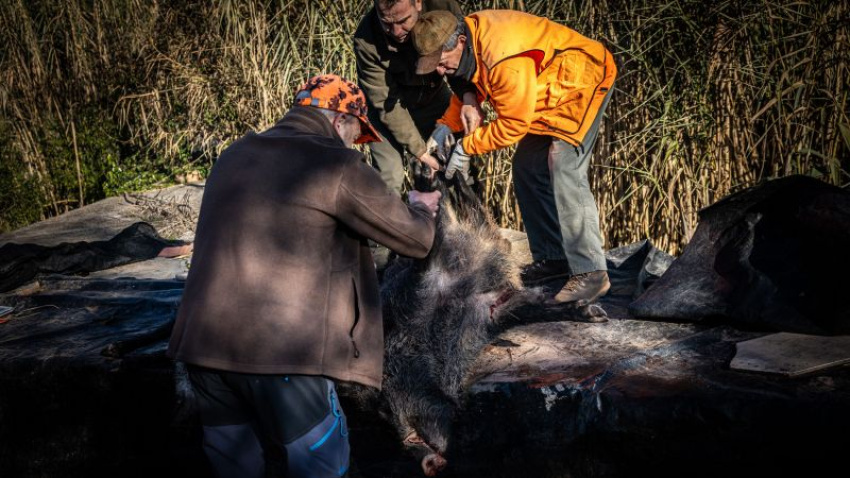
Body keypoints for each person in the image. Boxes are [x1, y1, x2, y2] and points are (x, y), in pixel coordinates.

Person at [166, 74, 441, 478]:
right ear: (340, 120)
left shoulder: (234, 154)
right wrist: (421, 207)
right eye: (356, 133)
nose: (354, 143)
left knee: (235, 469)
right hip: (285, 356)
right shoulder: (337, 163)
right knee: (322, 468)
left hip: (204, 350)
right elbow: (414, 240)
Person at [411, 10, 618, 304]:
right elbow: (476, 88)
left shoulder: (502, 57)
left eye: (442, 62)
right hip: (547, 93)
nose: (441, 71)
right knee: (527, 167)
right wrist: (447, 125)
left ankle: (591, 272)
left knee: (564, 166)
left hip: (582, 83)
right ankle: (554, 258)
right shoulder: (472, 41)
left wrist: (466, 148)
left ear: (458, 42)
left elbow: (514, 125)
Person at [354, 0, 477, 194]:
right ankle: (389, 222)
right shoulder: (365, 39)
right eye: (386, 23)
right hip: (387, 108)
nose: (395, 32)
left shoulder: (444, 7)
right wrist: (420, 152)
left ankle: (471, 221)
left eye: (403, 20)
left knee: (457, 167)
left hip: (433, 96)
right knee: (389, 176)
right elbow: (384, 101)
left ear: (418, 3)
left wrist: (468, 96)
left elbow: (460, 58)